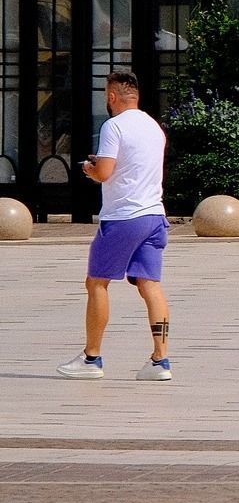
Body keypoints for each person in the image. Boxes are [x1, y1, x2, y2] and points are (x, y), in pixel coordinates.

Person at [59, 71, 172, 382]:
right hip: (153, 215)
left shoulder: (114, 126)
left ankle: (91, 357)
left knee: (96, 283)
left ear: (111, 97)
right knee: (150, 285)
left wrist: (90, 169)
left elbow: (105, 172)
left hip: (123, 216)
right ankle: (160, 360)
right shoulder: (153, 126)